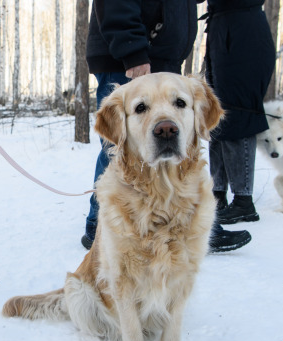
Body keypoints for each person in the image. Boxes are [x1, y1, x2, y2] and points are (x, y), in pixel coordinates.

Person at [82, 0, 252, 254]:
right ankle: (101, 226)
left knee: (173, 155)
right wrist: (133, 50)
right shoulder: (132, 53)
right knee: (122, 149)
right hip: (130, 54)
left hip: (160, 54)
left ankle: (183, 227)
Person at [201, 0, 276, 225]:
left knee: (237, 112)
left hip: (243, 31)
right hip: (221, 26)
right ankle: (218, 195)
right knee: (216, 113)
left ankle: (243, 202)